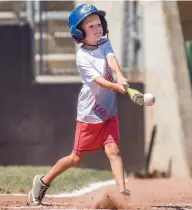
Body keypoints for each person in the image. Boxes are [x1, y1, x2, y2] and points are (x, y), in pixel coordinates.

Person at [28, 4, 131, 205]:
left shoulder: (104, 43)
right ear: (79, 32)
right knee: (76, 158)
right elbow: (99, 81)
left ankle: (123, 193)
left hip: (109, 113)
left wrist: (120, 75)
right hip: (90, 114)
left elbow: (111, 61)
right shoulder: (82, 57)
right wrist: (116, 86)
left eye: (98, 24)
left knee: (114, 151)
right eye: (91, 26)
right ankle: (43, 182)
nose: (97, 28)